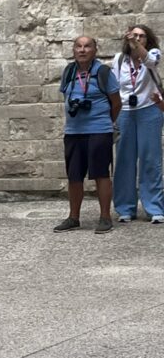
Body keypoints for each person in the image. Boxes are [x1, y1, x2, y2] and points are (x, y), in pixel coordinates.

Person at [54, 35, 121, 234]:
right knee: (74, 175)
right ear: (74, 50)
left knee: (101, 174)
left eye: (87, 46)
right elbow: (66, 97)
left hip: (99, 130)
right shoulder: (69, 71)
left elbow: (116, 103)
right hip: (74, 132)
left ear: (95, 50)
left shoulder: (103, 72)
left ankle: (105, 218)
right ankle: (73, 217)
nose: (82, 50)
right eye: (78, 46)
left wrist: (105, 122)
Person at [111, 24, 164, 224]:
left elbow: (150, 61)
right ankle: (125, 208)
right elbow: (115, 86)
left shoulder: (154, 53)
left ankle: (154, 207)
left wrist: (136, 45)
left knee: (151, 159)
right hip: (125, 112)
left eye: (142, 36)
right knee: (124, 160)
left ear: (147, 40)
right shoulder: (119, 59)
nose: (138, 38)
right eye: (134, 35)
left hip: (149, 110)